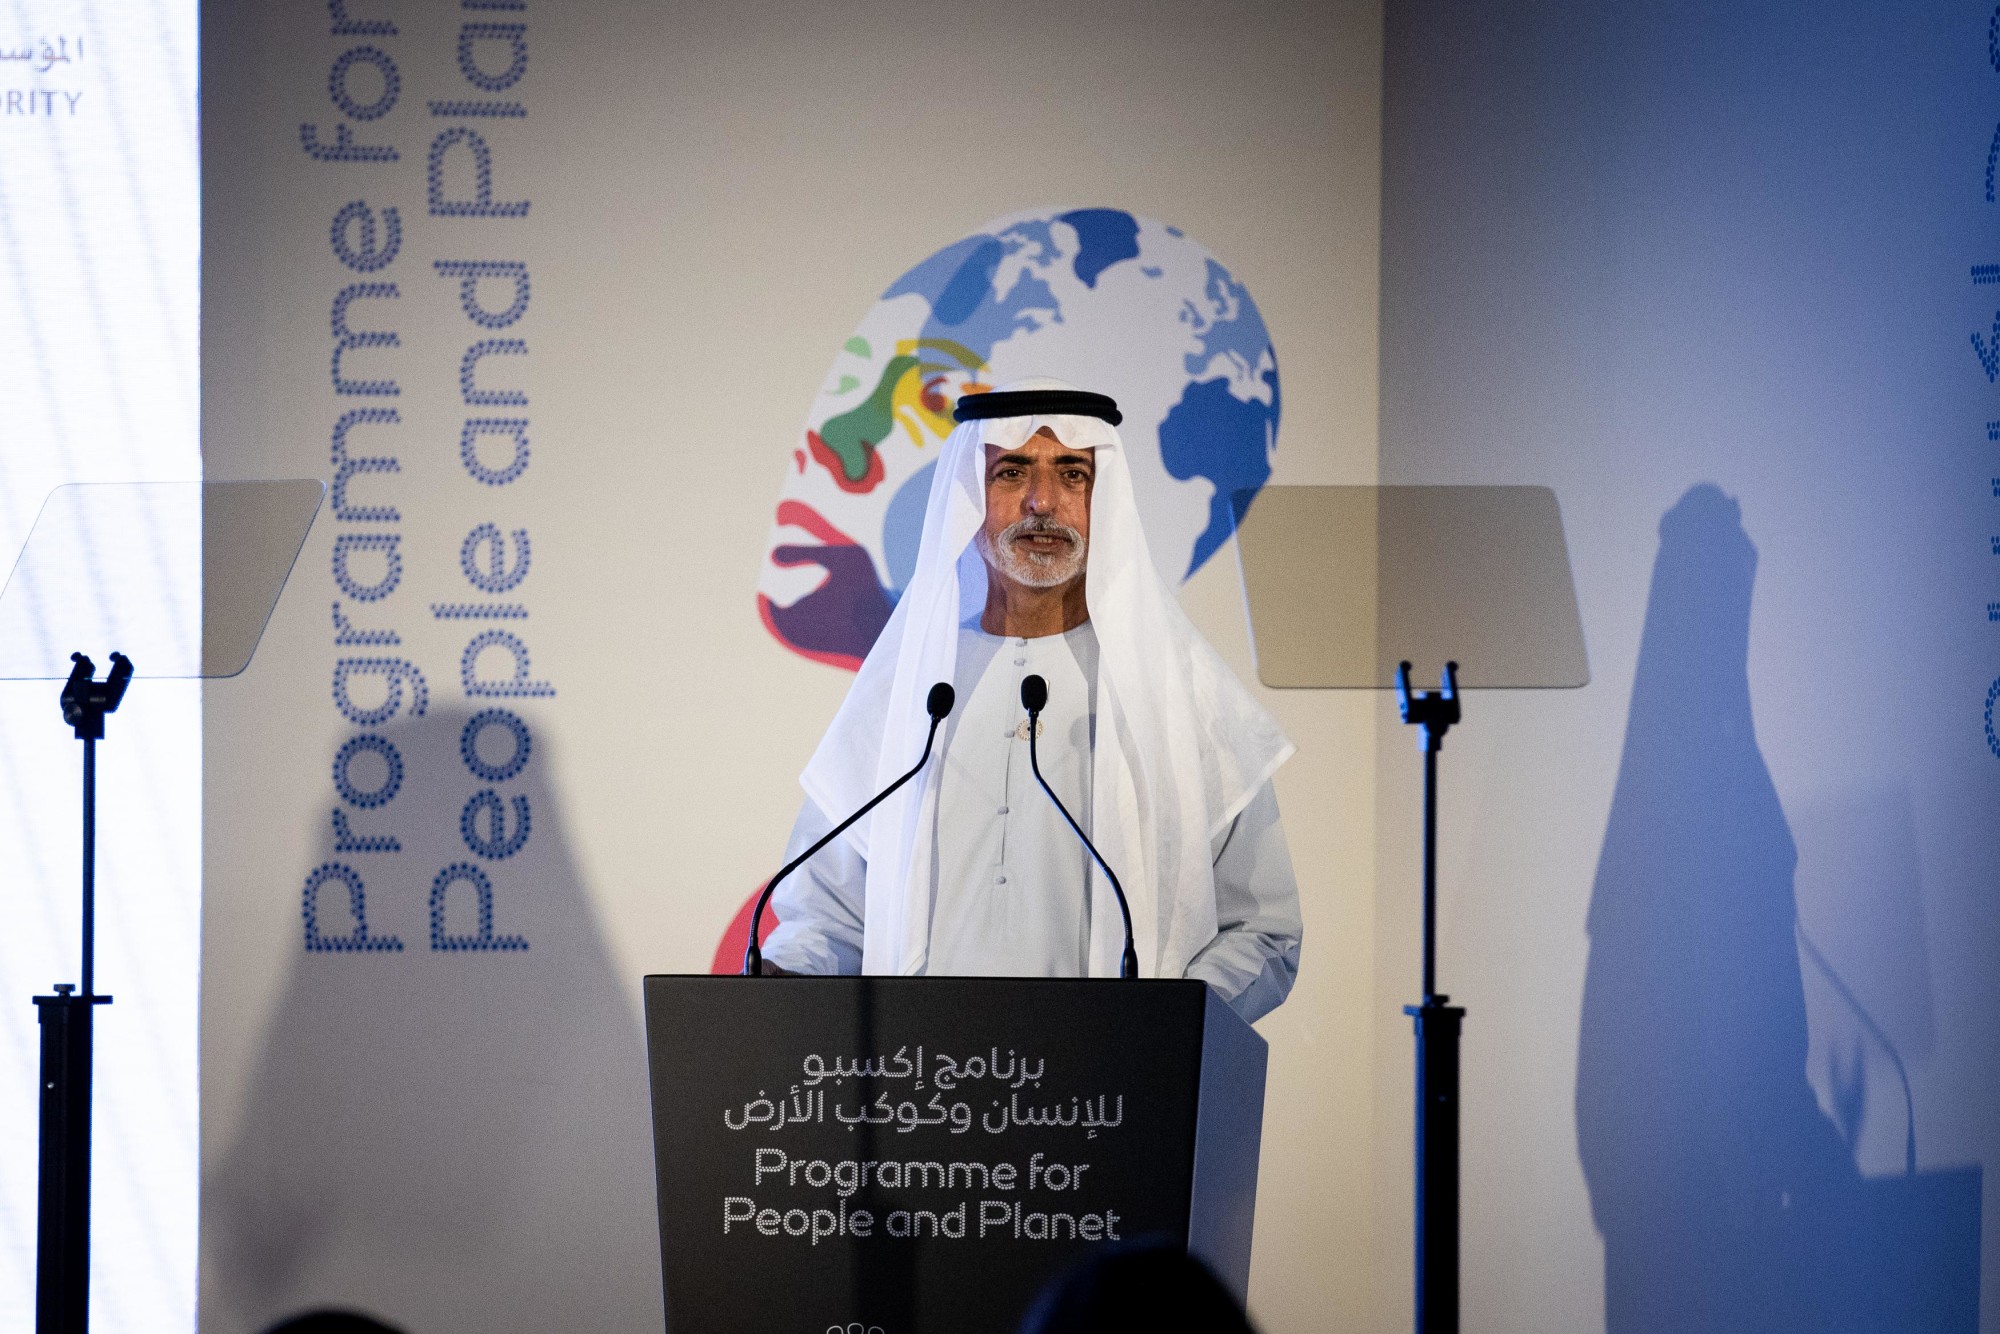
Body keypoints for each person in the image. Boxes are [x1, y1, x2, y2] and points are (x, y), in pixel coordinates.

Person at [761, 378, 1302, 1021]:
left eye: (1072, 474)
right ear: (970, 496)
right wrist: (778, 983)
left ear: (1104, 501)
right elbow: (824, 919)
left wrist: (1172, 1031)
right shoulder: (910, 692)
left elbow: (1264, 933)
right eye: (1012, 472)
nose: (1043, 502)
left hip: (1112, 1096)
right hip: (919, 1091)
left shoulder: (1185, 697)